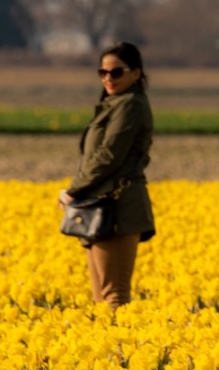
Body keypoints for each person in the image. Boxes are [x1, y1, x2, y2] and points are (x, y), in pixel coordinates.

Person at [59, 42, 156, 309]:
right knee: (101, 299)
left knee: (114, 297)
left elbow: (109, 155)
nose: (107, 78)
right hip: (99, 206)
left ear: (136, 73)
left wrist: (73, 190)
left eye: (116, 72)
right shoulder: (114, 104)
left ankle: (119, 349)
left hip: (118, 208)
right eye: (102, 72)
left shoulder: (130, 105)